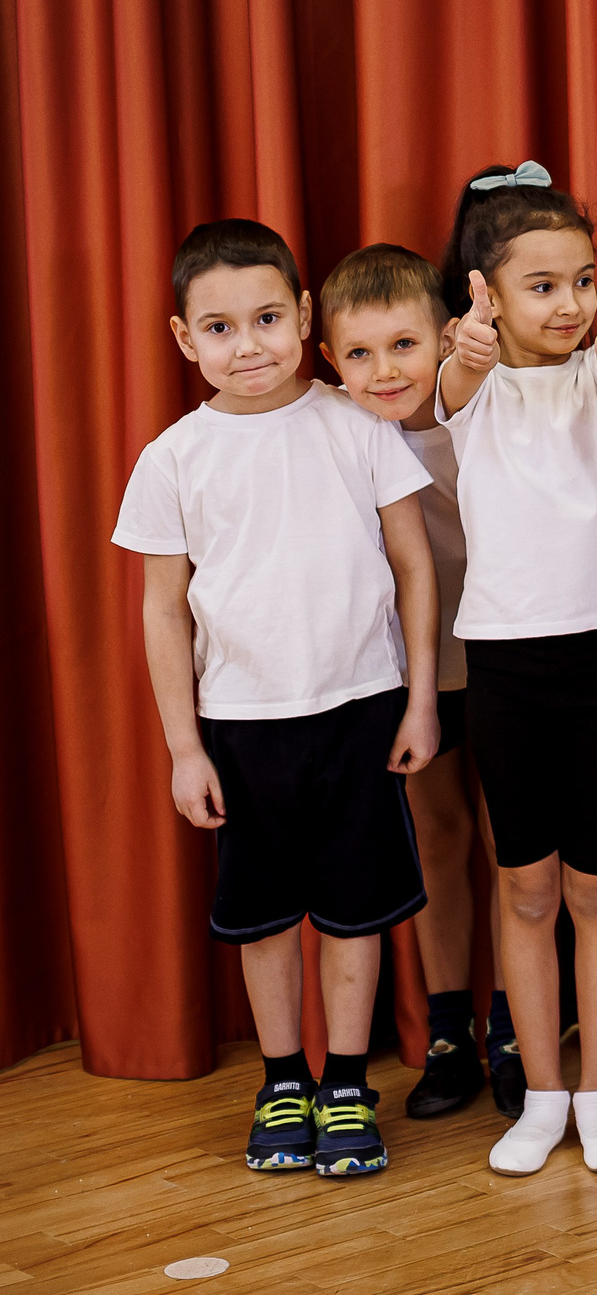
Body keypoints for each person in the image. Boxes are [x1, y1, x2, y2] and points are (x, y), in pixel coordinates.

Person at [115, 220, 439, 1177]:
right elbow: (163, 612)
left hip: (361, 708)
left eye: (265, 317)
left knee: (354, 911)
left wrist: (421, 699)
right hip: (241, 723)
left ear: (303, 315)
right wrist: (185, 747)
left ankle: (346, 1084)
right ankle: (282, 1080)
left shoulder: (358, 425)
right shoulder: (173, 459)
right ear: (185, 339)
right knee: (263, 919)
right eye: (219, 328)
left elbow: (415, 568)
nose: (246, 343)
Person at [437, 162, 597, 1177]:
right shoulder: (468, 390)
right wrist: (470, 347)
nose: (569, 302)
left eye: (582, 278)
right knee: (523, 886)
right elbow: (454, 380)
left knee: (596, 887)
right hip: (503, 666)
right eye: (542, 284)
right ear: (483, 293)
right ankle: (539, 1093)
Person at [316, 244, 518, 1120]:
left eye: (403, 344)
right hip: (409, 670)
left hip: (505, 648)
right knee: (437, 839)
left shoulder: (487, 404)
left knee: (514, 845)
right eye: (359, 354)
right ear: (329, 359)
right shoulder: (332, 427)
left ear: (445, 336)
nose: (383, 370)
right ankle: (448, 1030)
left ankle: (516, 1023)